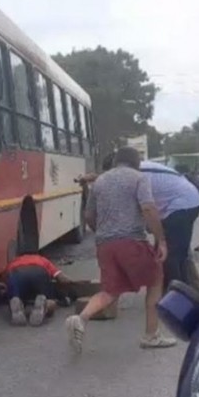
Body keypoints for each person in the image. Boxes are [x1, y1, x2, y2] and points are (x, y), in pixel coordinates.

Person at [66, 147, 176, 353]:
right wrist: (160, 239)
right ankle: (151, 335)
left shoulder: (99, 181)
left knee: (110, 290)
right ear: (136, 162)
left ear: (116, 161)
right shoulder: (139, 178)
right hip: (131, 241)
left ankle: (80, 319)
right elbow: (148, 208)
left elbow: (89, 216)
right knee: (156, 278)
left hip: (105, 245)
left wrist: (105, 232)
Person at [79, 156, 199, 296]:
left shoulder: (136, 174)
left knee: (172, 256)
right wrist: (89, 178)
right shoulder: (133, 170)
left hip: (182, 204)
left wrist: (157, 235)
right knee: (178, 252)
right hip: (179, 203)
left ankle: (177, 297)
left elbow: (147, 208)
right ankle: (191, 292)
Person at [0, 250, 75, 326]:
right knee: (50, 300)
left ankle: (17, 302)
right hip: (38, 272)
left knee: (15, 295)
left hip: (17, 273)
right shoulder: (42, 259)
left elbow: (4, 281)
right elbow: (61, 278)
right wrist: (71, 284)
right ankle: (45, 305)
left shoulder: (13, 262)